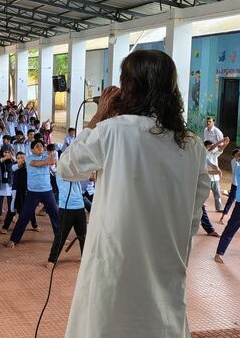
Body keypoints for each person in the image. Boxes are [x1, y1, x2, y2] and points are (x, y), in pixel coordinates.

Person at [58, 50, 210, 338]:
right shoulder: (193, 145)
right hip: (166, 268)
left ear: (129, 87)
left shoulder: (112, 131)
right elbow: (194, 215)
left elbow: (68, 167)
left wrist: (99, 117)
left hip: (114, 269)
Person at [7, 140, 58, 247]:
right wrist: (47, 161)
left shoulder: (46, 157)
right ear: (32, 149)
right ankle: (14, 239)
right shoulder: (29, 158)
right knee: (24, 216)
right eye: (37, 147)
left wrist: (51, 159)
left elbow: (53, 164)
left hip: (47, 191)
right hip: (33, 193)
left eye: (41, 147)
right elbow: (36, 164)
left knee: (55, 214)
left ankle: (60, 237)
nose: (40, 148)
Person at [46, 174, 87, 268]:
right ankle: (52, 259)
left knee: (83, 236)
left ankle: (85, 258)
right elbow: (77, 176)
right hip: (66, 208)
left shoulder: (77, 169)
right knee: (61, 236)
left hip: (80, 206)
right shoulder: (61, 171)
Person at [205, 137, 230, 211]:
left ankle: (219, 208)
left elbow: (220, 149)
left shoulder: (214, 154)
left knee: (217, 194)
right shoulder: (205, 153)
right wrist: (220, 141)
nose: (213, 147)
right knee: (204, 194)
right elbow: (212, 147)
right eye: (210, 145)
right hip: (206, 177)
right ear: (206, 146)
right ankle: (200, 206)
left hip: (215, 178)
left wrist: (225, 144)